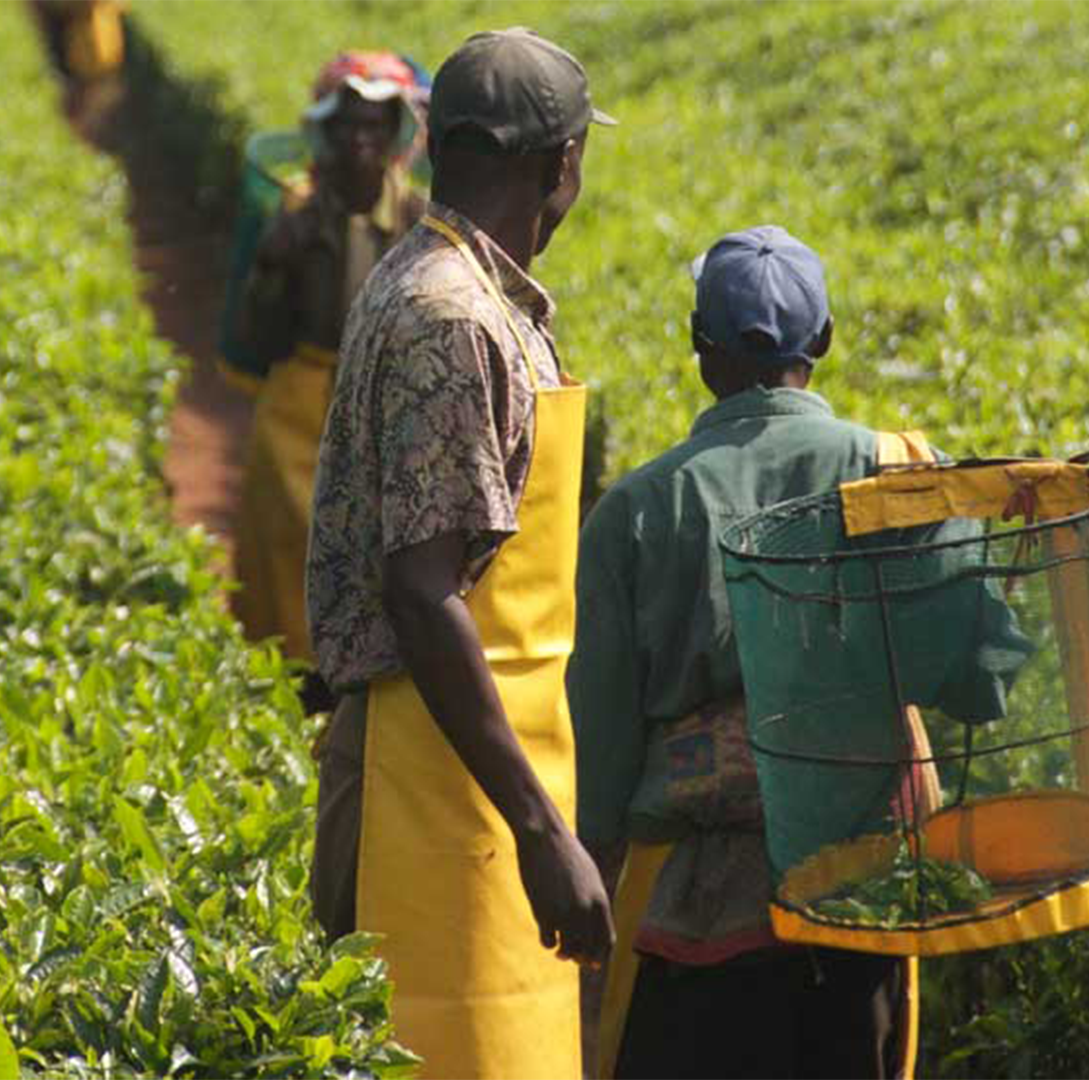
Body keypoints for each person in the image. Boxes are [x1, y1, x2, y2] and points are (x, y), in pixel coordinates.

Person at [303, 28, 616, 1080]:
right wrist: (538, 830)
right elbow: (423, 590)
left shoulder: (447, 285)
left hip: (465, 770)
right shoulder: (455, 319)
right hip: (432, 793)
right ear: (559, 163)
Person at [568, 227, 927, 1079]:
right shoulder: (894, 473)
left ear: (700, 351)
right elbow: (978, 672)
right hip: (859, 889)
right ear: (827, 340)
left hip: (691, 907)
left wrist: (589, 883)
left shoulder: (634, 512)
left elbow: (605, 746)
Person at [228, 52, 428, 690]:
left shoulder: (415, 219)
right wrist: (271, 269)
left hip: (379, 404)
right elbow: (256, 338)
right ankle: (295, 678)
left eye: (374, 127)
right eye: (346, 127)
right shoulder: (294, 213)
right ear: (324, 132)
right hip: (299, 401)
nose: (359, 142)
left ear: (395, 136)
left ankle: (360, 677)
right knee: (290, 539)